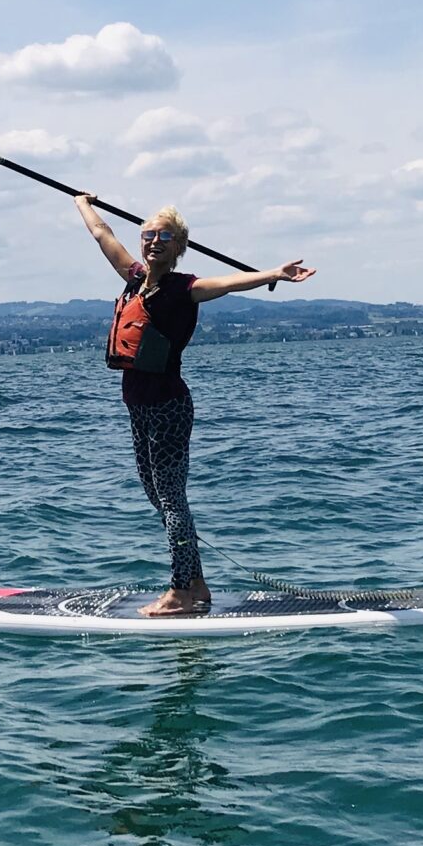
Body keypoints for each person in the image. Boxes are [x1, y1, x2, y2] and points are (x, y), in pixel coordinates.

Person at [73, 194, 314, 616]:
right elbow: (101, 233)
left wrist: (274, 273)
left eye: (165, 236)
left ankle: (180, 591)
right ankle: (198, 583)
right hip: (138, 406)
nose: (153, 241)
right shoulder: (134, 279)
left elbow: (231, 283)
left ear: (179, 247)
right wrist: (82, 202)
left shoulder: (186, 289)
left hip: (168, 407)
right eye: (148, 234)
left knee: (171, 501)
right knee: (159, 496)